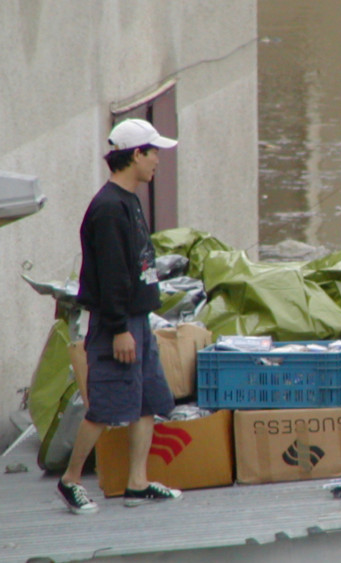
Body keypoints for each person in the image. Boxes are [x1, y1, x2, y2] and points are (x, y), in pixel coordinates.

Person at [57, 119, 183, 514]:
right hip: (119, 324)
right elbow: (112, 275)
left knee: (145, 400)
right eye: (153, 152)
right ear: (135, 155)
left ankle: (137, 483)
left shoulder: (129, 199)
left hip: (137, 320)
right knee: (106, 406)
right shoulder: (110, 208)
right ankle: (70, 480)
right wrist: (117, 331)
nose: (158, 161)